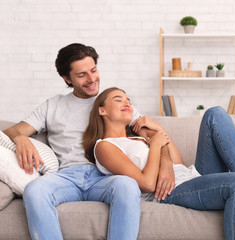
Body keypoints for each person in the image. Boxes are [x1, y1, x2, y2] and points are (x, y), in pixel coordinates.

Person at [82, 87, 235, 240]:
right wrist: (157, 144)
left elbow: (178, 163)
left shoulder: (140, 134)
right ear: (102, 110)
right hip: (170, 192)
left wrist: (158, 130)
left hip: (189, 176)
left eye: (128, 100)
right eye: (119, 100)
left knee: (216, 114)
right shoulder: (105, 146)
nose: (127, 103)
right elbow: (147, 184)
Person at [3, 43, 147, 239]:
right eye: (82, 75)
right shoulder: (52, 105)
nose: (91, 79)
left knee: (128, 186)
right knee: (34, 190)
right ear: (66, 78)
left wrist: (164, 162)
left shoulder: (112, 102)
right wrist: (20, 138)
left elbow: (152, 135)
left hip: (105, 175)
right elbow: (12, 130)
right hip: (66, 178)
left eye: (93, 70)